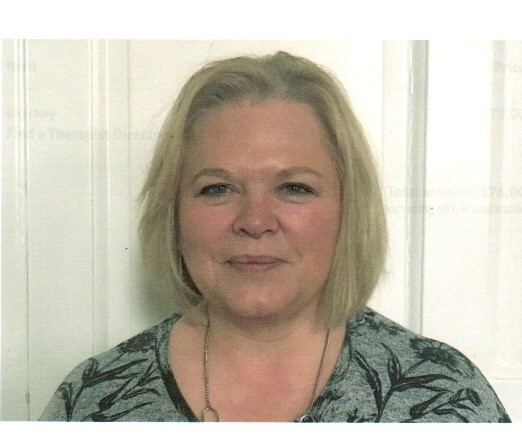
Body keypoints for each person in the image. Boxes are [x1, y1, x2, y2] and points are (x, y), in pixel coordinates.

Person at [40, 51, 510, 423]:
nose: (255, 221)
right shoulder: (94, 399)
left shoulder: (444, 396)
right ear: (174, 211)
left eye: (294, 188)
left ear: (349, 208)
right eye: (217, 188)